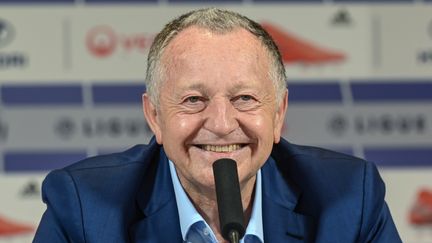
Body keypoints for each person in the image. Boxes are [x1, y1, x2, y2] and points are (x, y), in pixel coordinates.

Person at [33, 8, 402, 243]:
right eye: (194, 100)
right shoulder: (84, 208)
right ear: (155, 116)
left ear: (279, 114)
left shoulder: (349, 199)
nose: (223, 125)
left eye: (245, 99)